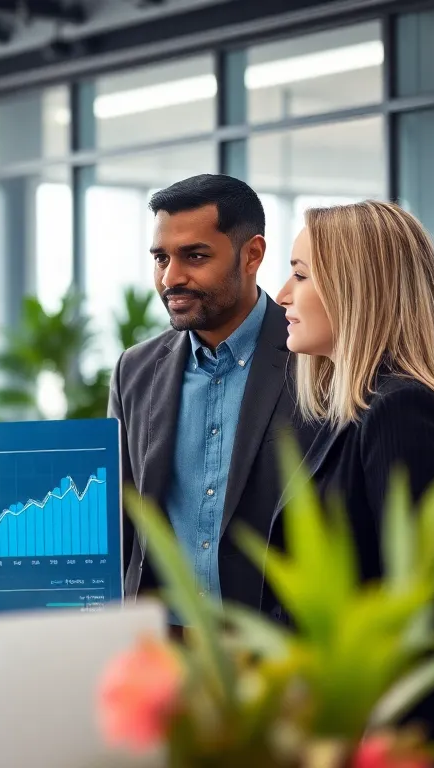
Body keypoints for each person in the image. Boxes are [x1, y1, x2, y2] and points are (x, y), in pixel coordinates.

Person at [272, 200, 434, 762]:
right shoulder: (353, 410)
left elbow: (422, 622)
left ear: (357, 288)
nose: (282, 295)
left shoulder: (405, 411)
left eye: (300, 274)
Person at [109, 173, 313, 620]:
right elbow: (123, 520)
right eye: (161, 258)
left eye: (195, 256)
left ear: (252, 255)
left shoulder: (314, 358)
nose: (170, 277)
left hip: (278, 645)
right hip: (166, 643)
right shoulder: (134, 371)